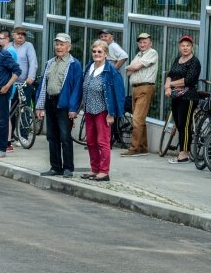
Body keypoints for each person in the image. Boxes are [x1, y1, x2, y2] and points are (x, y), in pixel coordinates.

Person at [35, 33, 84, 177]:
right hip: (50, 102)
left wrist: (74, 108)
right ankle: (55, 167)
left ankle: (68, 168)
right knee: (52, 136)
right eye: (57, 44)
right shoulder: (49, 62)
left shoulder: (74, 64)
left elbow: (77, 88)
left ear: (69, 47)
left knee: (65, 137)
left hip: (64, 104)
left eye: (62, 44)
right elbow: (43, 85)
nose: (58, 47)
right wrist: (39, 105)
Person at [80, 40, 126, 181]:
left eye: (100, 51)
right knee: (91, 142)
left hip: (103, 111)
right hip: (89, 110)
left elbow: (118, 94)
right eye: (94, 51)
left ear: (106, 54)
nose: (96, 54)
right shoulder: (89, 67)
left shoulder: (111, 71)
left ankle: (104, 171)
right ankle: (94, 169)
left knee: (103, 142)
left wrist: (112, 114)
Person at [164, 35, 201, 164]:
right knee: (179, 124)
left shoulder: (194, 61)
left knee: (185, 125)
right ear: (179, 47)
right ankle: (185, 151)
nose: (185, 48)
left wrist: (171, 85)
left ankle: (183, 154)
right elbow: (170, 74)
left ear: (192, 47)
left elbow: (188, 80)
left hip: (188, 97)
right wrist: (167, 87)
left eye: (188, 45)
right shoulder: (177, 59)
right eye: (183, 45)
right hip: (176, 96)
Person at [123, 33, 159, 157]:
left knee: (137, 119)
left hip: (145, 86)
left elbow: (135, 66)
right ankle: (143, 148)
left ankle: (134, 148)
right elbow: (128, 72)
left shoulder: (152, 52)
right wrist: (132, 68)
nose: (142, 44)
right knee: (140, 119)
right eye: (140, 42)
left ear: (150, 43)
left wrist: (132, 67)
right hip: (136, 88)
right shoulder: (138, 55)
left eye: (145, 42)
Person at [12, 26, 38, 148]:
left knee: (24, 110)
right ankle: (10, 135)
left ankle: (24, 136)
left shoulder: (29, 46)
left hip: (24, 84)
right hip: (10, 84)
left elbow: (33, 63)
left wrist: (30, 78)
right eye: (18, 34)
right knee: (10, 110)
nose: (21, 36)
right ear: (13, 35)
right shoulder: (9, 47)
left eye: (23, 34)